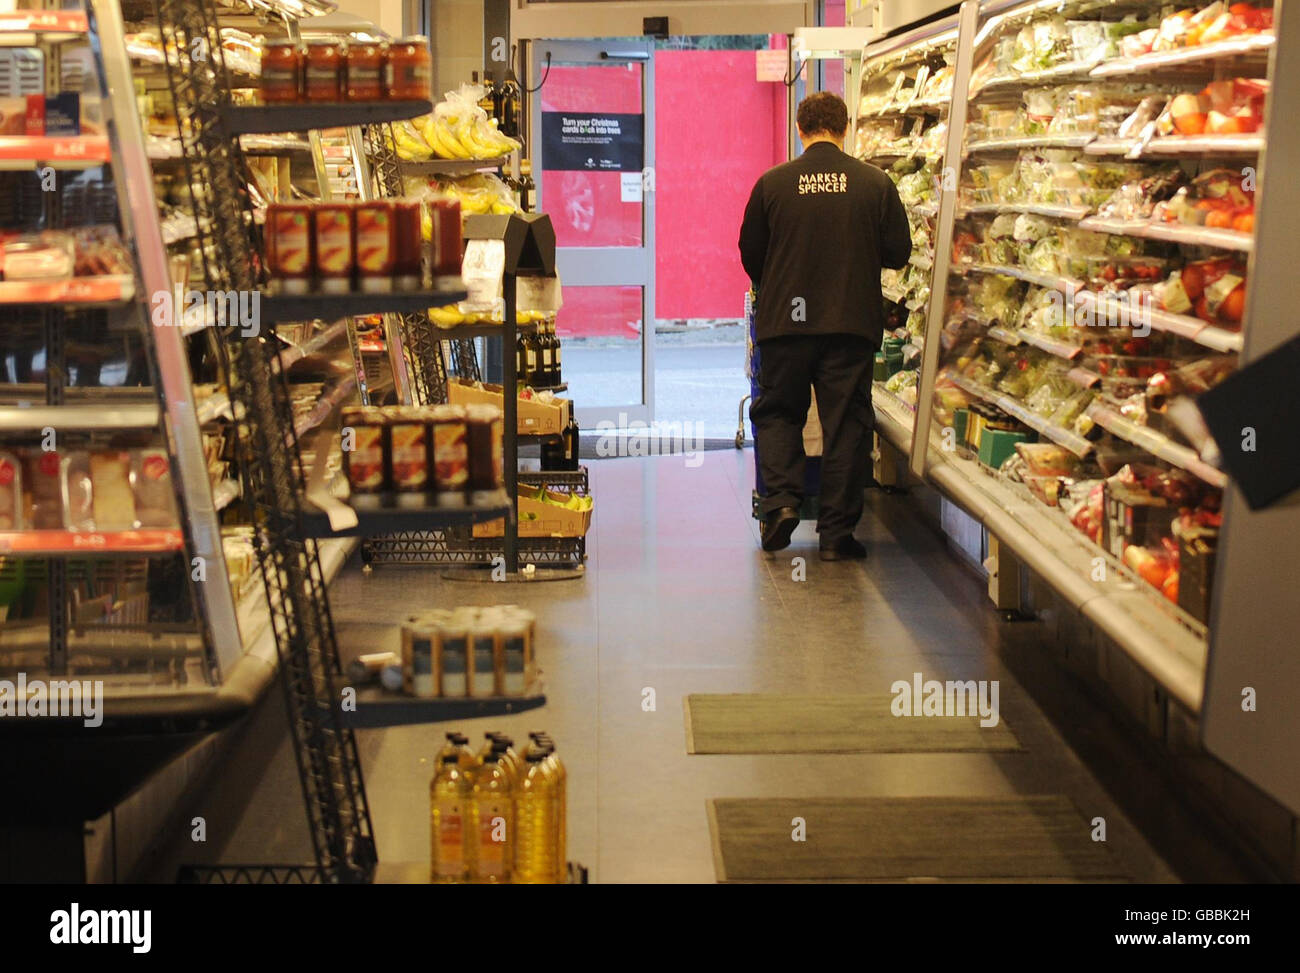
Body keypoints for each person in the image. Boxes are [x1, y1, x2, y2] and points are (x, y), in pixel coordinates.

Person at [739, 91, 912, 560]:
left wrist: (779, 285)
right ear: (846, 127)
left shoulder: (772, 184)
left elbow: (750, 253)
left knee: (778, 412)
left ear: (800, 129)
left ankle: (780, 506)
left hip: (785, 325)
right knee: (846, 426)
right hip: (849, 323)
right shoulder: (874, 184)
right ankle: (836, 537)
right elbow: (899, 252)